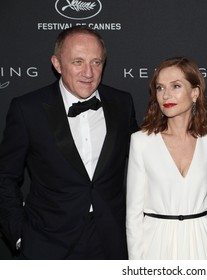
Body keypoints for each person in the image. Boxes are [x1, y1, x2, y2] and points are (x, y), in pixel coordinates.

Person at [0, 26, 138, 259]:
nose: (88, 72)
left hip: (110, 242)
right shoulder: (28, 109)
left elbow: (146, 154)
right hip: (47, 242)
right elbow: (4, 178)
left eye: (96, 62)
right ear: (57, 63)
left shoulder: (121, 103)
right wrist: (20, 236)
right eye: (77, 62)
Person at [126, 57, 207, 259]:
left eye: (176, 86)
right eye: (160, 88)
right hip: (155, 240)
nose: (166, 95)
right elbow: (133, 214)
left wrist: (198, 201)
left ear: (195, 92)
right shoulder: (142, 142)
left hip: (200, 238)